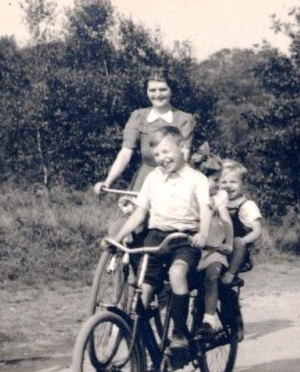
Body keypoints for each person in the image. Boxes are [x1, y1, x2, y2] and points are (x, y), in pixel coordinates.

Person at [104, 126, 211, 351]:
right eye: (157, 155)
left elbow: (205, 209)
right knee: (143, 289)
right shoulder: (153, 178)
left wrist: (203, 233)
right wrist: (117, 237)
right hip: (156, 237)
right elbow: (139, 213)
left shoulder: (196, 179)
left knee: (177, 273)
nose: (161, 158)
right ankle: (141, 342)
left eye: (166, 152)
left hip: (185, 238)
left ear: (182, 147)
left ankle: (179, 332)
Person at [93, 69, 196, 194]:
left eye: (163, 89)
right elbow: (125, 153)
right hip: (144, 180)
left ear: (171, 90)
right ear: (147, 92)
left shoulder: (184, 119)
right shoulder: (138, 116)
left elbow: (183, 156)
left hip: (174, 179)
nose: (157, 95)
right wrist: (107, 182)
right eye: (152, 90)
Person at [192, 149, 234, 339]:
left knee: (211, 276)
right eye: (215, 180)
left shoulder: (219, 198)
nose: (219, 184)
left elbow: (226, 220)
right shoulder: (192, 196)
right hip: (195, 249)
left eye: (220, 179)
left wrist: (229, 242)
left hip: (214, 250)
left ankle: (209, 320)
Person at [219, 160, 263, 288]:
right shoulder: (218, 202)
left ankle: (230, 274)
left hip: (236, 250)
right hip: (218, 245)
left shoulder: (247, 205)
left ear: (243, 184)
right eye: (224, 182)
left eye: (233, 182)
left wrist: (243, 241)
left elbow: (257, 231)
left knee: (237, 241)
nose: (228, 186)